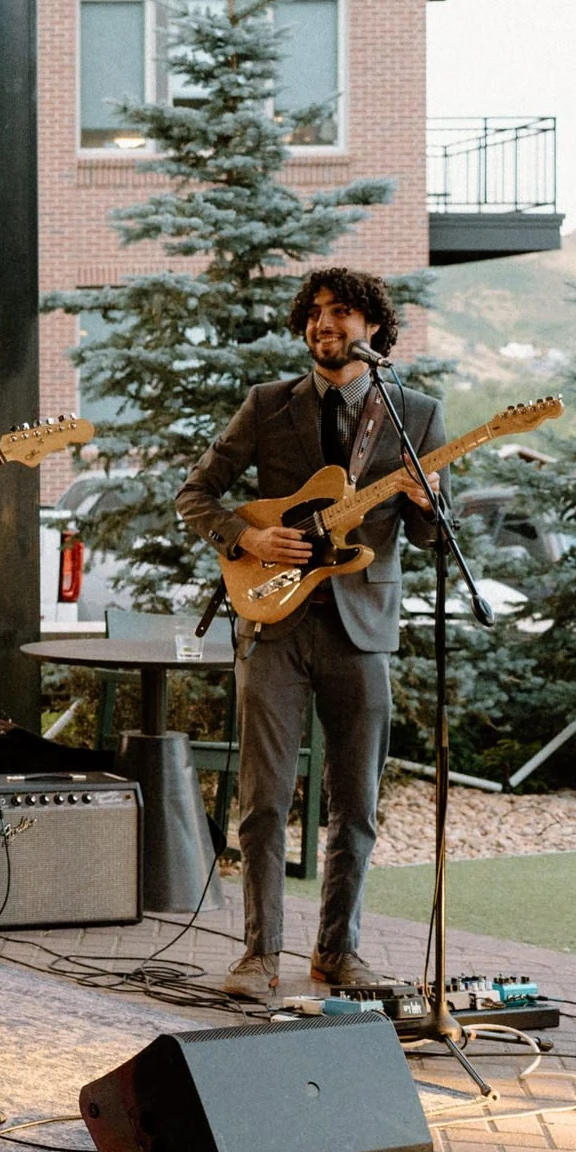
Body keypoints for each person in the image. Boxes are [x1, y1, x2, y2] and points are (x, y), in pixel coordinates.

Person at [177, 267, 444, 1001]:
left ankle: (338, 951)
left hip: (363, 628)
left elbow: (427, 538)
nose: (325, 323)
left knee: (355, 801)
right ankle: (259, 955)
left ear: (374, 331)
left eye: (342, 312)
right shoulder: (268, 405)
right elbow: (194, 494)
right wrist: (247, 540)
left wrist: (427, 504)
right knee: (264, 799)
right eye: (315, 312)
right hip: (274, 623)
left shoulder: (415, 414)